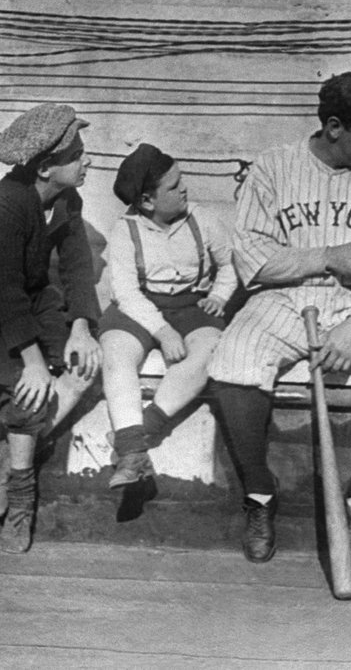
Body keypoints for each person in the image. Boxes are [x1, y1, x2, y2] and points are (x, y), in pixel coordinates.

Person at [208, 71, 351, 568]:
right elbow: (253, 259)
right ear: (334, 127)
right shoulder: (272, 168)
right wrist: (328, 256)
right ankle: (260, 496)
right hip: (286, 297)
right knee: (233, 358)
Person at [0, 103, 102, 553]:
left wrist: (80, 328)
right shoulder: (4, 207)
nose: (87, 160)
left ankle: (9, 457)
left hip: (31, 302)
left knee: (83, 366)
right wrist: (33, 362)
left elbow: (76, 266)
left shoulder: (67, 199)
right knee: (29, 391)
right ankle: (20, 499)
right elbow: (1, 292)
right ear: (46, 166)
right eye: (77, 155)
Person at [99, 143, 237, 520]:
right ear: (146, 200)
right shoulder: (125, 230)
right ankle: (133, 456)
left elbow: (229, 265)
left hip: (192, 305)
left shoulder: (202, 219)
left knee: (213, 350)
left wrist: (221, 296)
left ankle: (136, 437)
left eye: (182, 182)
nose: (184, 190)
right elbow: (125, 292)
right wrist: (162, 331)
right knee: (115, 351)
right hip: (140, 306)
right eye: (174, 187)